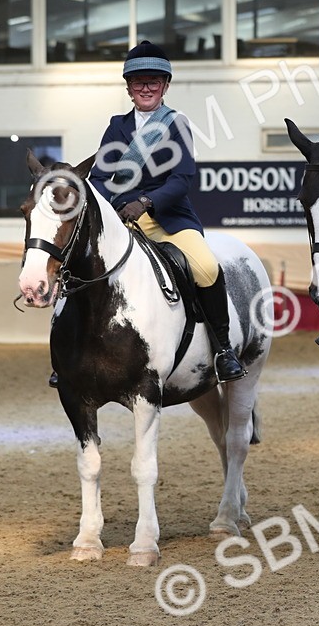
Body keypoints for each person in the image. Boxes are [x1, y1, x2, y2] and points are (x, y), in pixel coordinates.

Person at [86, 40, 246, 383]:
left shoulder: (176, 124)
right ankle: (75, 350)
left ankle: (222, 349)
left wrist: (145, 202)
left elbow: (182, 178)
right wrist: (116, 207)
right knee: (83, 266)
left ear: (165, 86)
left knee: (206, 268)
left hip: (168, 219)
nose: (146, 88)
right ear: (129, 88)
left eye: (153, 82)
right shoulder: (117, 127)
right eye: (139, 82)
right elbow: (98, 177)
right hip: (123, 222)